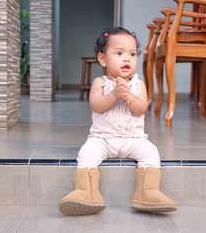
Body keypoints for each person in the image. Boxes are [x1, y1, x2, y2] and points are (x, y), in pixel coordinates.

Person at [59, 27, 177, 216]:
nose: (127, 58)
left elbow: (141, 110)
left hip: (134, 139)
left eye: (132, 54)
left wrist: (129, 96)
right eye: (119, 53)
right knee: (86, 153)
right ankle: (86, 192)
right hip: (103, 139)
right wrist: (114, 94)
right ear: (103, 59)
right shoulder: (101, 82)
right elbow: (96, 105)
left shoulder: (138, 84)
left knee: (151, 153)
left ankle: (147, 193)